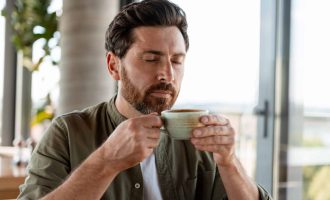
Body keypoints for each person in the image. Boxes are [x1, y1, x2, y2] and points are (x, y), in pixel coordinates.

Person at [18, 0, 272, 199]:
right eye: (151, 59)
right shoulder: (68, 133)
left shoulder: (199, 139)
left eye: (176, 61)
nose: (167, 74)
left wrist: (228, 161)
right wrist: (106, 161)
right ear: (114, 65)